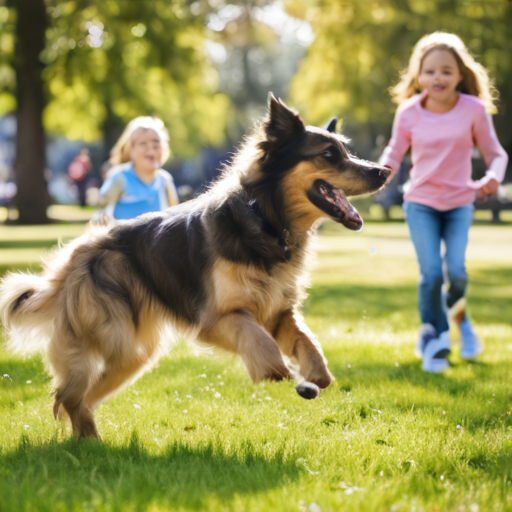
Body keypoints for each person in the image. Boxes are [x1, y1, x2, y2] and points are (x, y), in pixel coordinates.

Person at [379, 32, 508, 373]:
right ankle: (435, 338)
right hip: (420, 202)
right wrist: (377, 176)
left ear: (460, 75)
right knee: (432, 274)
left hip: (459, 204)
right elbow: (394, 153)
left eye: (447, 71)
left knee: (458, 273)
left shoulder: (473, 110)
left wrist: (493, 176)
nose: (438, 78)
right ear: (418, 75)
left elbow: (497, 154)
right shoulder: (408, 112)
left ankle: (461, 322)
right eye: (430, 71)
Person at [98, 116, 179, 220]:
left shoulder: (165, 180)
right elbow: (100, 216)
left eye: (155, 145)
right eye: (143, 144)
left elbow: (175, 219)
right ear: (131, 150)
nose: (151, 151)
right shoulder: (120, 177)